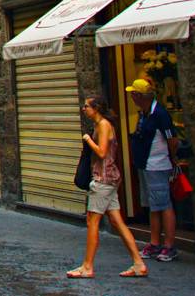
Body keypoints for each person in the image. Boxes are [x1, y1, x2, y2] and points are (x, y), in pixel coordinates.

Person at [68, 96, 149, 279]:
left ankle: (87, 266)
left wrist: (88, 140)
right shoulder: (100, 125)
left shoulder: (103, 125)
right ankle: (139, 263)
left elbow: (102, 152)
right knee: (117, 221)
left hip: (103, 179)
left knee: (92, 221)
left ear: (96, 108)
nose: (83, 109)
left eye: (86, 106)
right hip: (110, 178)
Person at [127, 79, 180, 262]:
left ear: (139, 96)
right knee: (153, 206)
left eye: (133, 93)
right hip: (146, 165)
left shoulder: (160, 114)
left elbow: (172, 139)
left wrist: (172, 158)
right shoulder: (145, 113)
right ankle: (155, 242)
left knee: (164, 205)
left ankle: (169, 245)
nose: (131, 96)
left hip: (157, 165)